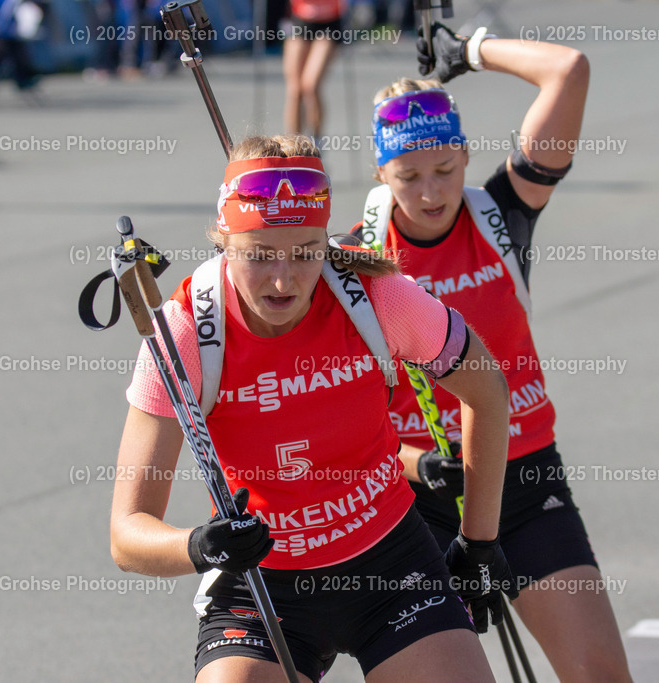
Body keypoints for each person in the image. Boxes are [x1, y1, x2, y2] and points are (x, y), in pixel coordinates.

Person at [111, 134, 516, 682]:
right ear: (223, 242)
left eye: (305, 252)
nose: (284, 279)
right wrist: (200, 547)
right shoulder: (186, 333)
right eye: (258, 256)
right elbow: (127, 534)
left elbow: (487, 391)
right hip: (263, 583)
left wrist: (479, 542)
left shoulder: (376, 297)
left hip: (390, 567)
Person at [350, 23, 633, 682]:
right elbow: (341, 417)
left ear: (466, 156)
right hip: (418, 499)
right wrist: (418, 464)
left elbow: (568, 69)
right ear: (379, 173)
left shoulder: (503, 213)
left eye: (445, 169)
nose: (429, 192)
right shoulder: (355, 257)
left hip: (524, 478)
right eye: (407, 175)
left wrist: (470, 51)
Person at [283, 0, 343, 142]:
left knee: (310, 86)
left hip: (328, 23)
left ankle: (316, 145)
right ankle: (293, 147)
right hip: (300, 20)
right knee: (295, 89)